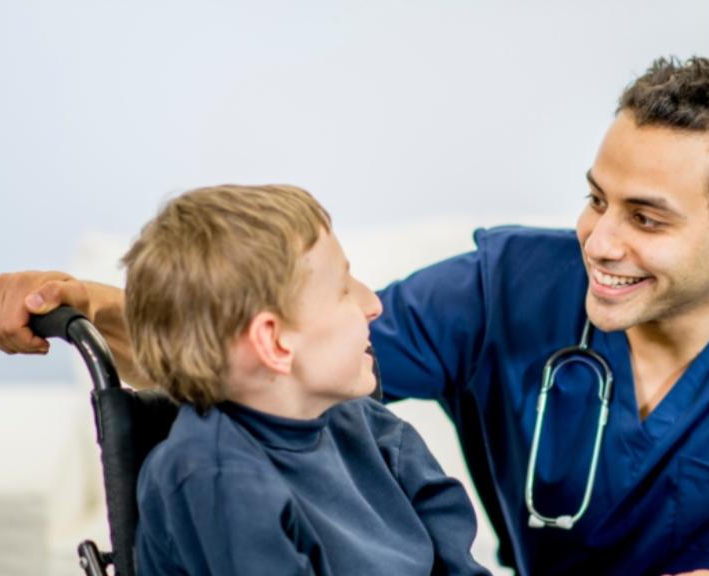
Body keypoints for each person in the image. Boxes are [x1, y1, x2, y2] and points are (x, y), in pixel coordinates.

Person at [0, 57, 709, 575]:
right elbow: (270, 348)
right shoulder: (507, 284)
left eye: (647, 219)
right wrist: (82, 303)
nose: (598, 241)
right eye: (596, 199)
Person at [122, 185, 489, 575]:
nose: (373, 305)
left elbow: (451, 543)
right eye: (344, 290)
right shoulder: (214, 479)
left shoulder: (369, 426)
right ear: (275, 342)